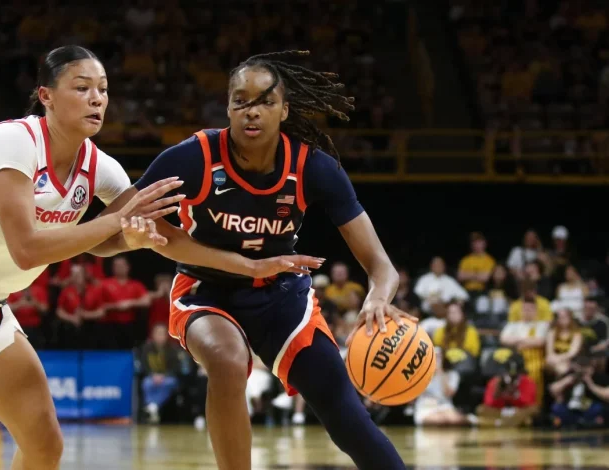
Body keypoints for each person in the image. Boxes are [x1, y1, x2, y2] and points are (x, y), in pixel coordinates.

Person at [0, 46, 317, 470]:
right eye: (81, 87)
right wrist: (116, 224)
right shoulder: (13, 142)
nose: (96, 98)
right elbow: (28, 249)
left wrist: (236, 263)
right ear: (46, 96)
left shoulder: (101, 168)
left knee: (44, 443)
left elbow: (146, 239)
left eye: (102, 89)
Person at [92, 50, 412, 470]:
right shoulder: (192, 158)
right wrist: (131, 239)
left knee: (343, 410)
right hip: (207, 293)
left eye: (265, 101)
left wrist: (378, 296)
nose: (251, 112)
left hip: (283, 297)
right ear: (227, 107)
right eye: (240, 101)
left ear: (284, 110)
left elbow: (381, 266)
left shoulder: (313, 168)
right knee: (227, 360)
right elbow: (101, 236)